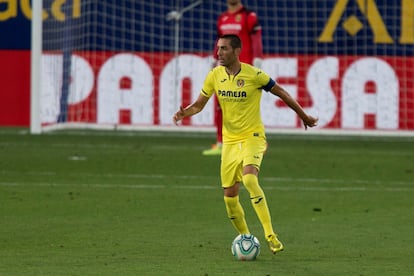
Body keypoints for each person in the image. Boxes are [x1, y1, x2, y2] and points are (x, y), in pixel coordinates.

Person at [173, 34, 318, 254]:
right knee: (230, 199)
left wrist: (303, 116)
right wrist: (186, 113)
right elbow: (199, 105)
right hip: (230, 142)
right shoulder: (214, 75)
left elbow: (283, 93)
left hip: (253, 136)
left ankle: (270, 235)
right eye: (218, 48)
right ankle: (245, 236)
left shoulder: (254, 75)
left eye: (223, 49)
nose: (218, 53)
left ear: (236, 51)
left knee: (250, 178)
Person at [202, 0, 263, 156]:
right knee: (220, 104)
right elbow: (219, 42)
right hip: (224, 68)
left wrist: (258, 58)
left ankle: (251, 142)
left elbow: (256, 38)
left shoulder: (249, 16)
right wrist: (214, 58)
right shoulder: (222, 18)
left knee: (244, 108)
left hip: (244, 69)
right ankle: (221, 143)